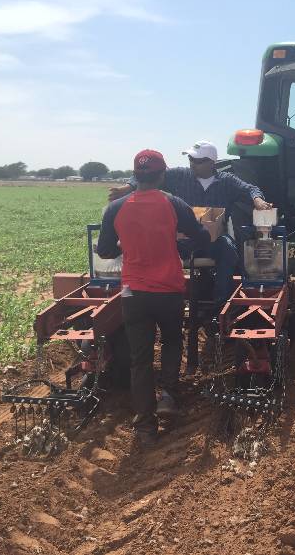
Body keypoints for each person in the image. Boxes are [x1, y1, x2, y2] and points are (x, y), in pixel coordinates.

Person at [97, 149, 210, 448]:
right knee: (172, 340)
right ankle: (168, 396)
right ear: (162, 175)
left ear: (136, 176)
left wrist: (128, 243)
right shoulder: (174, 203)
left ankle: (145, 426)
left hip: (133, 293)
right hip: (169, 289)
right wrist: (178, 237)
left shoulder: (115, 208)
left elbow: (105, 251)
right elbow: (201, 237)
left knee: (140, 359)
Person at [108, 140, 273, 318]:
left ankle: (221, 307)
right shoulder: (179, 175)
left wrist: (257, 200)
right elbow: (148, 174)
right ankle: (160, 297)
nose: (192, 164)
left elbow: (250, 188)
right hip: (182, 239)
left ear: (212, 162)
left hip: (213, 241)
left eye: (198, 161)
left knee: (229, 249)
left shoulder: (227, 181)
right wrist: (128, 187)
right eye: (191, 159)